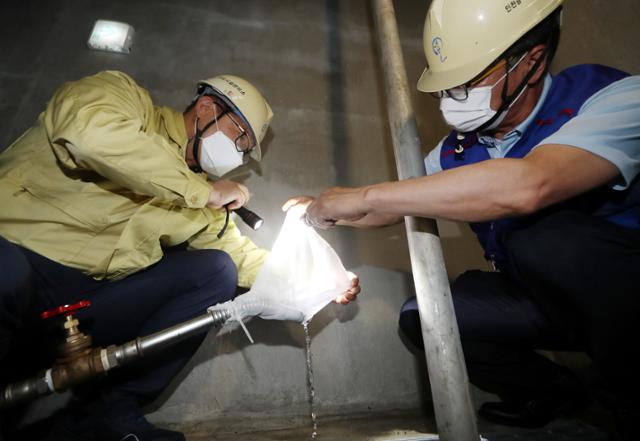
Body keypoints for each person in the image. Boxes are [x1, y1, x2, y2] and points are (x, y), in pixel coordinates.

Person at [296, 0, 640, 439]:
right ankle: (552, 393)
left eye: (467, 82)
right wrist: (322, 209)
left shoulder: (614, 98)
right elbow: (391, 206)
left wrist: (362, 195)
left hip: (623, 298)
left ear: (531, 62)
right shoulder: (455, 151)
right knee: (426, 314)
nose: (451, 99)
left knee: (542, 238)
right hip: (542, 299)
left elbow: (530, 184)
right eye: (445, 86)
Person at [0, 71, 360, 441]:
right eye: (239, 138)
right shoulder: (122, 97)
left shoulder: (205, 202)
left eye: (245, 149)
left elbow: (245, 260)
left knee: (217, 270)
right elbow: (90, 136)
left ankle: (109, 413)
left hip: (82, 306)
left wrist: (323, 279)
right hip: (16, 261)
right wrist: (201, 193)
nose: (238, 154)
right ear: (206, 108)